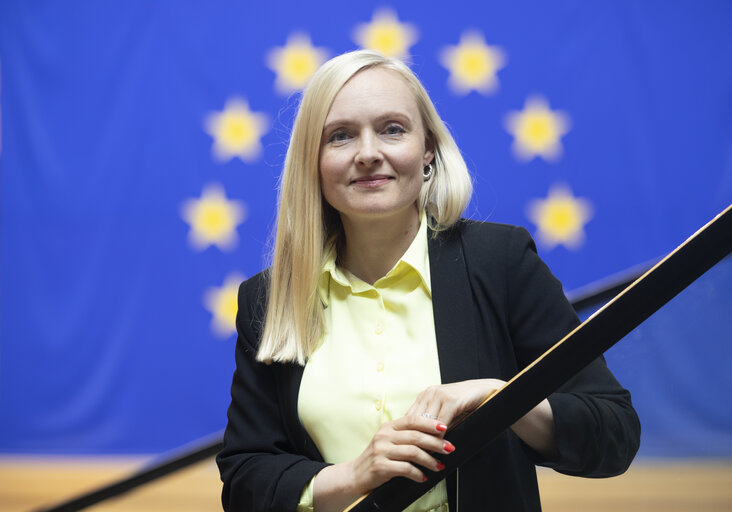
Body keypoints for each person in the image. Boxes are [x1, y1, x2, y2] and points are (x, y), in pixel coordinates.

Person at [216, 50, 640, 512]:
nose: (369, 153)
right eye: (339, 136)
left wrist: (502, 397)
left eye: (392, 129)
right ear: (312, 163)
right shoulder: (269, 297)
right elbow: (244, 479)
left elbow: (613, 432)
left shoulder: (501, 262)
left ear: (428, 151)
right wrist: (354, 475)